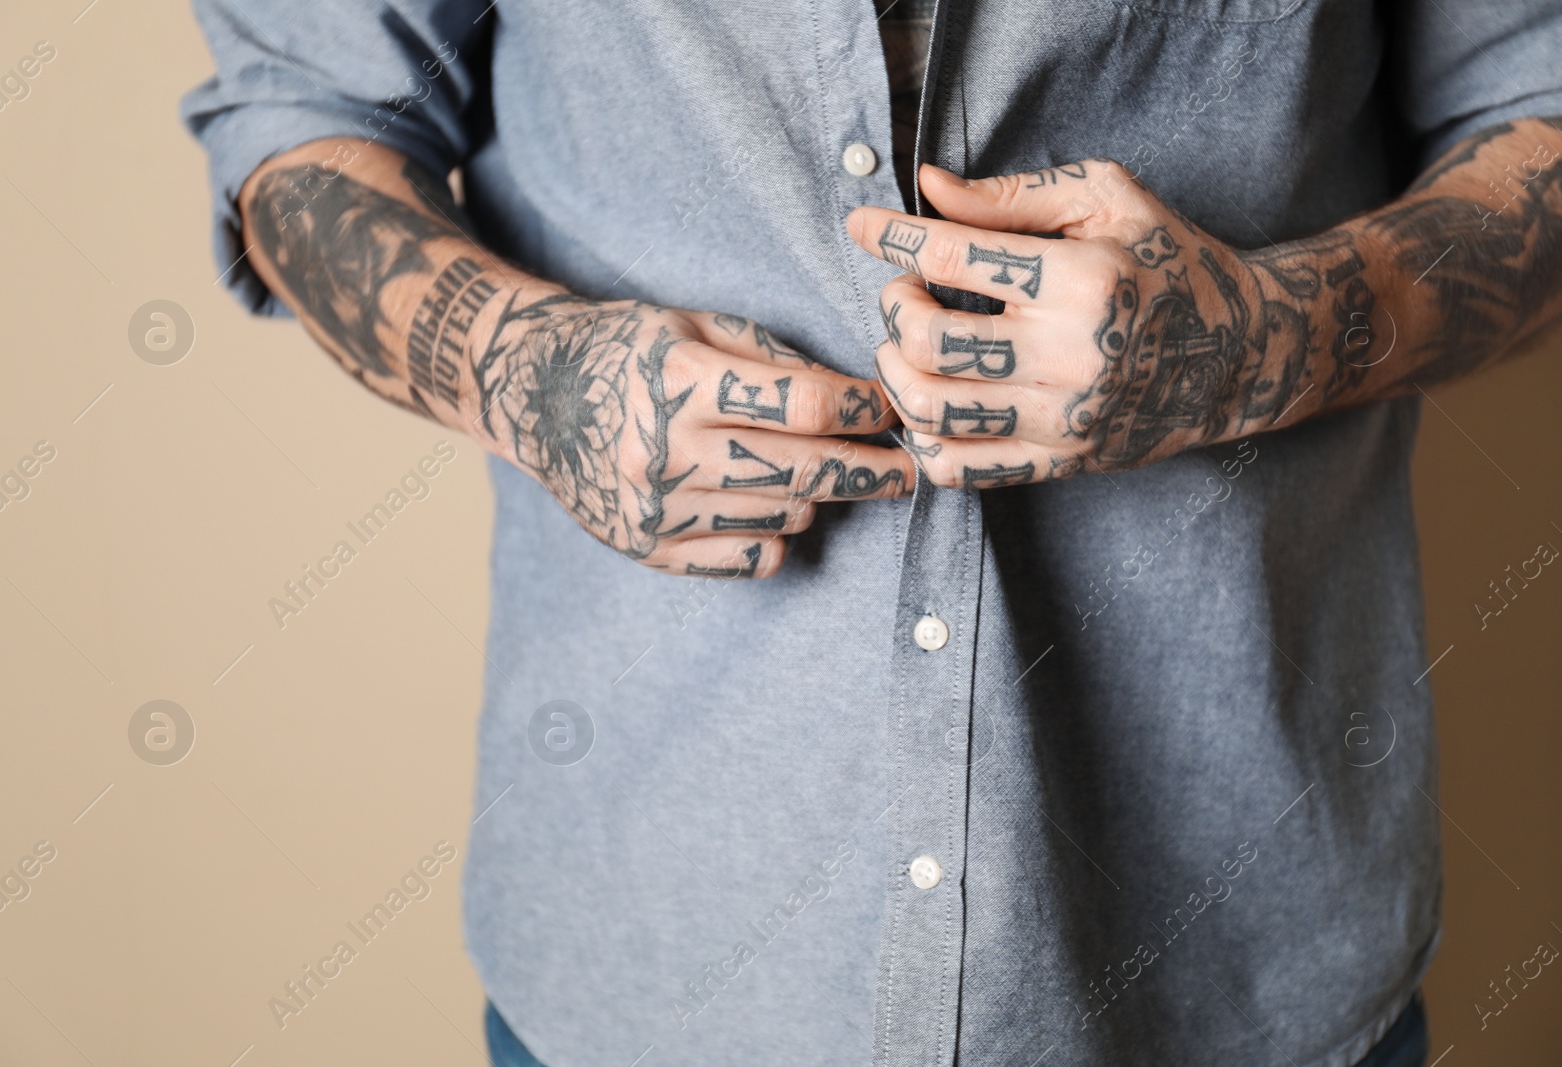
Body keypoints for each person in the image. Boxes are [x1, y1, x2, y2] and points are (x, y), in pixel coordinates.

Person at [182, 1, 1561, 1063]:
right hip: (654, 952)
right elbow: (303, 115)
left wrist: (1272, 335)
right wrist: (527, 371)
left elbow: (1539, 101)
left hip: (1235, 957)